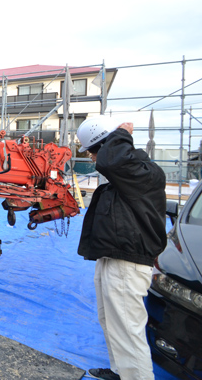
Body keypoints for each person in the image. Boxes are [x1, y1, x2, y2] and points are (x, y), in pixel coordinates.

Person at [76, 116, 167, 380]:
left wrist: (120, 134)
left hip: (128, 262)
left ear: (108, 145)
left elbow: (109, 160)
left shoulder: (140, 171)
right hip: (113, 256)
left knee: (127, 329)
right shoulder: (126, 172)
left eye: (93, 151)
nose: (92, 159)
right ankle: (120, 372)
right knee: (111, 322)